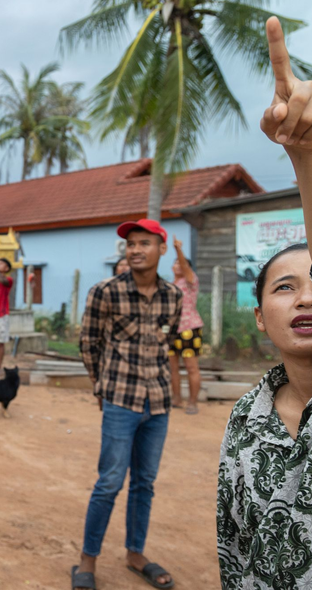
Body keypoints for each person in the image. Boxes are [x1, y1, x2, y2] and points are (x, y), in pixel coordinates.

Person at [217, 17, 312, 589]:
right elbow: (232, 545)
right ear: (260, 317)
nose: (307, 296)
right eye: (285, 287)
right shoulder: (244, 416)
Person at [74, 219, 182, 590]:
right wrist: (101, 386)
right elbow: (88, 343)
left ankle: (135, 554)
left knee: (145, 484)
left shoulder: (173, 296)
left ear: (161, 249)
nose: (135, 249)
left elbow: (166, 343)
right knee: (109, 483)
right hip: (120, 400)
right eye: (130, 244)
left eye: (144, 243)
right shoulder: (105, 292)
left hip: (159, 403)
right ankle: (87, 561)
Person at [169, 237, 204, 415]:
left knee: (191, 367)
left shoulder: (190, 280)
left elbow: (185, 267)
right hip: (171, 331)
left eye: (180, 263)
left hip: (189, 329)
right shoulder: (169, 285)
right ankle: (176, 398)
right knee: (172, 367)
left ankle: (192, 402)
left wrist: (178, 250)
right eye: (174, 262)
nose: (177, 264)